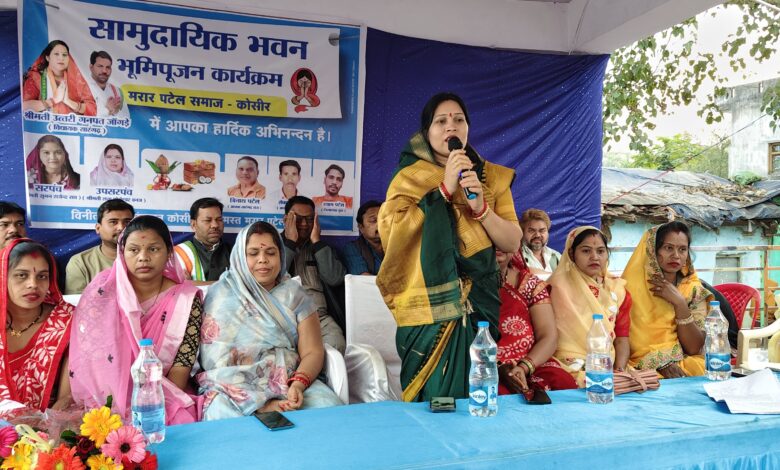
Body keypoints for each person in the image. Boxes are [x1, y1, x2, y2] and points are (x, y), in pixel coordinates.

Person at [376, 92, 522, 402]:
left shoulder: (492, 178)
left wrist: (482, 209)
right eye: (440, 121)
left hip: (480, 299)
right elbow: (393, 233)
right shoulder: (409, 178)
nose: (450, 127)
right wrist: (443, 189)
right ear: (426, 132)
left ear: (467, 127)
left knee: (476, 393)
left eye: (458, 120)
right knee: (437, 398)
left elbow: (512, 241)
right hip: (429, 309)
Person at [197, 222, 342, 420]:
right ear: (239, 257)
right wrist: (258, 402)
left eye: (271, 253)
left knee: (329, 409)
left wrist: (298, 384)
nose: (263, 260)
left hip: (288, 381)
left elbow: (312, 351)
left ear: (281, 256)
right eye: (253, 253)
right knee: (220, 414)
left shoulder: (295, 295)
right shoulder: (221, 295)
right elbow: (214, 360)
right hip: (233, 387)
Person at [69, 216, 203, 424]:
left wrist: (155, 405)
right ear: (122, 253)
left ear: (169, 252)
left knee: (178, 421)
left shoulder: (185, 299)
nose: (143, 257)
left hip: (164, 394)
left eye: (153, 249)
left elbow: (182, 364)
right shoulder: (103, 291)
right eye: (133, 250)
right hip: (105, 395)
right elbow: (88, 355)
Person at [623, 222, 711, 378]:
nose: (676, 255)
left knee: (701, 367)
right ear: (652, 250)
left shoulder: (692, 289)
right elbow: (630, 340)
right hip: (639, 362)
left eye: (682, 249)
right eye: (668, 248)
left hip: (682, 360)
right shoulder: (630, 288)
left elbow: (694, 348)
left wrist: (680, 303)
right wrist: (659, 362)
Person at [548, 226, 631, 386]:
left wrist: (619, 371)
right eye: (586, 251)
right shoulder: (554, 288)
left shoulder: (617, 290)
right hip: (565, 365)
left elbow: (622, 337)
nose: (594, 257)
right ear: (571, 254)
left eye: (600, 251)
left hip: (606, 365)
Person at [0, 239, 74, 411]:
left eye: (42, 276)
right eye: (21, 275)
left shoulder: (67, 321)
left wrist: (41, 426)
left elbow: (67, 398)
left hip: (49, 423)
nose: (33, 284)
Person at [497, 250, 577, 394]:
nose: (498, 247)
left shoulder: (529, 284)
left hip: (529, 362)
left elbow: (548, 336)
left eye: (504, 241)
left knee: (562, 382)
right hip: (485, 366)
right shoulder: (464, 285)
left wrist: (523, 367)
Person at [282, 196, 346, 353]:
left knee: (336, 345)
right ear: (286, 220)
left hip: (319, 317)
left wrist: (317, 242)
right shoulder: (272, 246)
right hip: (283, 318)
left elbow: (335, 278)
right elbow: (273, 276)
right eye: (298, 219)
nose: (304, 224)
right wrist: (290, 243)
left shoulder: (321, 247)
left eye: (309, 219)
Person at [65, 199, 134, 294]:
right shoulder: (80, 262)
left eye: (127, 222)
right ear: (98, 228)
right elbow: (77, 301)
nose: (121, 228)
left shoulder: (144, 259)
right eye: (113, 222)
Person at [22, 40, 96, 115]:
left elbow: (92, 109)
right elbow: (24, 106)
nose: (61, 58)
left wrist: (69, 102)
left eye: (64, 55)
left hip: (70, 121)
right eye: (56, 54)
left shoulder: (77, 80)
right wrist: (53, 100)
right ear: (48, 58)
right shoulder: (36, 77)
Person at [174, 198, 232, 284]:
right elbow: (176, 287)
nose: (215, 225)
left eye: (219, 220)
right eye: (208, 220)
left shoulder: (234, 252)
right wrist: (225, 284)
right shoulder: (180, 253)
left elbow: (243, 285)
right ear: (193, 225)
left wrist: (195, 284)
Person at [342, 200, 384, 275]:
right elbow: (364, 278)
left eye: (383, 220)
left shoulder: (396, 246)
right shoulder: (353, 248)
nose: (380, 224)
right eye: (373, 220)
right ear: (361, 227)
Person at [86, 50, 129, 118]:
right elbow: (78, 115)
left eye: (108, 67)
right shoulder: (81, 87)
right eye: (100, 66)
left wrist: (116, 111)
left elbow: (127, 118)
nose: (104, 71)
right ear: (91, 67)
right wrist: (107, 110)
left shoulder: (117, 91)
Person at [520, 209, 561, 274]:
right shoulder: (517, 257)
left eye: (542, 230)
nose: (537, 235)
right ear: (522, 232)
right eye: (532, 231)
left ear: (548, 232)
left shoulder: (556, 256)